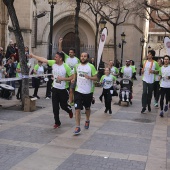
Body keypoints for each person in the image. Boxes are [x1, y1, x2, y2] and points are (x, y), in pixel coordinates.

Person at [29, 52, 74, 129]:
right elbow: (43, 59)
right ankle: (57, 122)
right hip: (55, 89)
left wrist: (63, 79)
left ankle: (69, 110)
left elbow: (72, 77)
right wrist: (33, 56)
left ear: (60, 58)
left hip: (63, 90)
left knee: (63, 106)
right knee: (55, 107)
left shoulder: (66, 67)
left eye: (56, 57)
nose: (54, 58)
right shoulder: (53, 63)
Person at [72, 52, 98, 135]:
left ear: (88, 58)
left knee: (87, 108)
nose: (83, 58)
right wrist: (73, 79)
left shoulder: (91, 66)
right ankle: (77, 127)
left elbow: (96, 78)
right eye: (81, 56)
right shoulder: (77, 66)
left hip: (88, 91)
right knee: (77, 109)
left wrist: (90, 77)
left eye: (85, 56)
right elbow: (75, 74)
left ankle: (87, 120)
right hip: (78, 91)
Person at [58, 38, 80, 106]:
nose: (70, 53)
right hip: (66, 76)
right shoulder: (66, 58)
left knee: (72, 89)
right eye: (69, 52)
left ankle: (71, 102)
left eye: (71, 52)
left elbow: (78, 68)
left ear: (74, 53)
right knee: (66, 89)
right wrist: (60, 43)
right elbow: (60, 51)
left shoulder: (77, 60)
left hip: (73, 77)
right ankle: (67, 100)